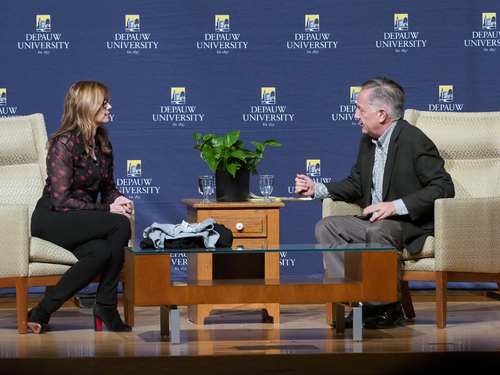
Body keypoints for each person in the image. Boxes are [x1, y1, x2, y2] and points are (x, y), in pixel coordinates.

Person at [295, 77, 455, 329]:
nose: (356, 115)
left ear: (382, 114)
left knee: (378, 229)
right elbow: (356, 185)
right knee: (327, 226)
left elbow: (443, 187)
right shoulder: (368, 141)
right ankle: (356, 301)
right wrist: (317, 188)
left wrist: (395, 206)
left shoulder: (414, 140)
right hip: (374, 222)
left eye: (360, 109)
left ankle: (387, 306)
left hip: (407, 224)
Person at [28, 81, 134, 334]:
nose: (110, 106)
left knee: (100, 251)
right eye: (103, 102)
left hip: (80, 218)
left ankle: (41, 311)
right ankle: (107, 305)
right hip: (52, 219)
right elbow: (61, 200)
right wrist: (108, 211)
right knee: (119, 223)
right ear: (87, 107)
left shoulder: (102, 144)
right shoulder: (63, 144)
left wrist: (117, 198)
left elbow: (107, 187)